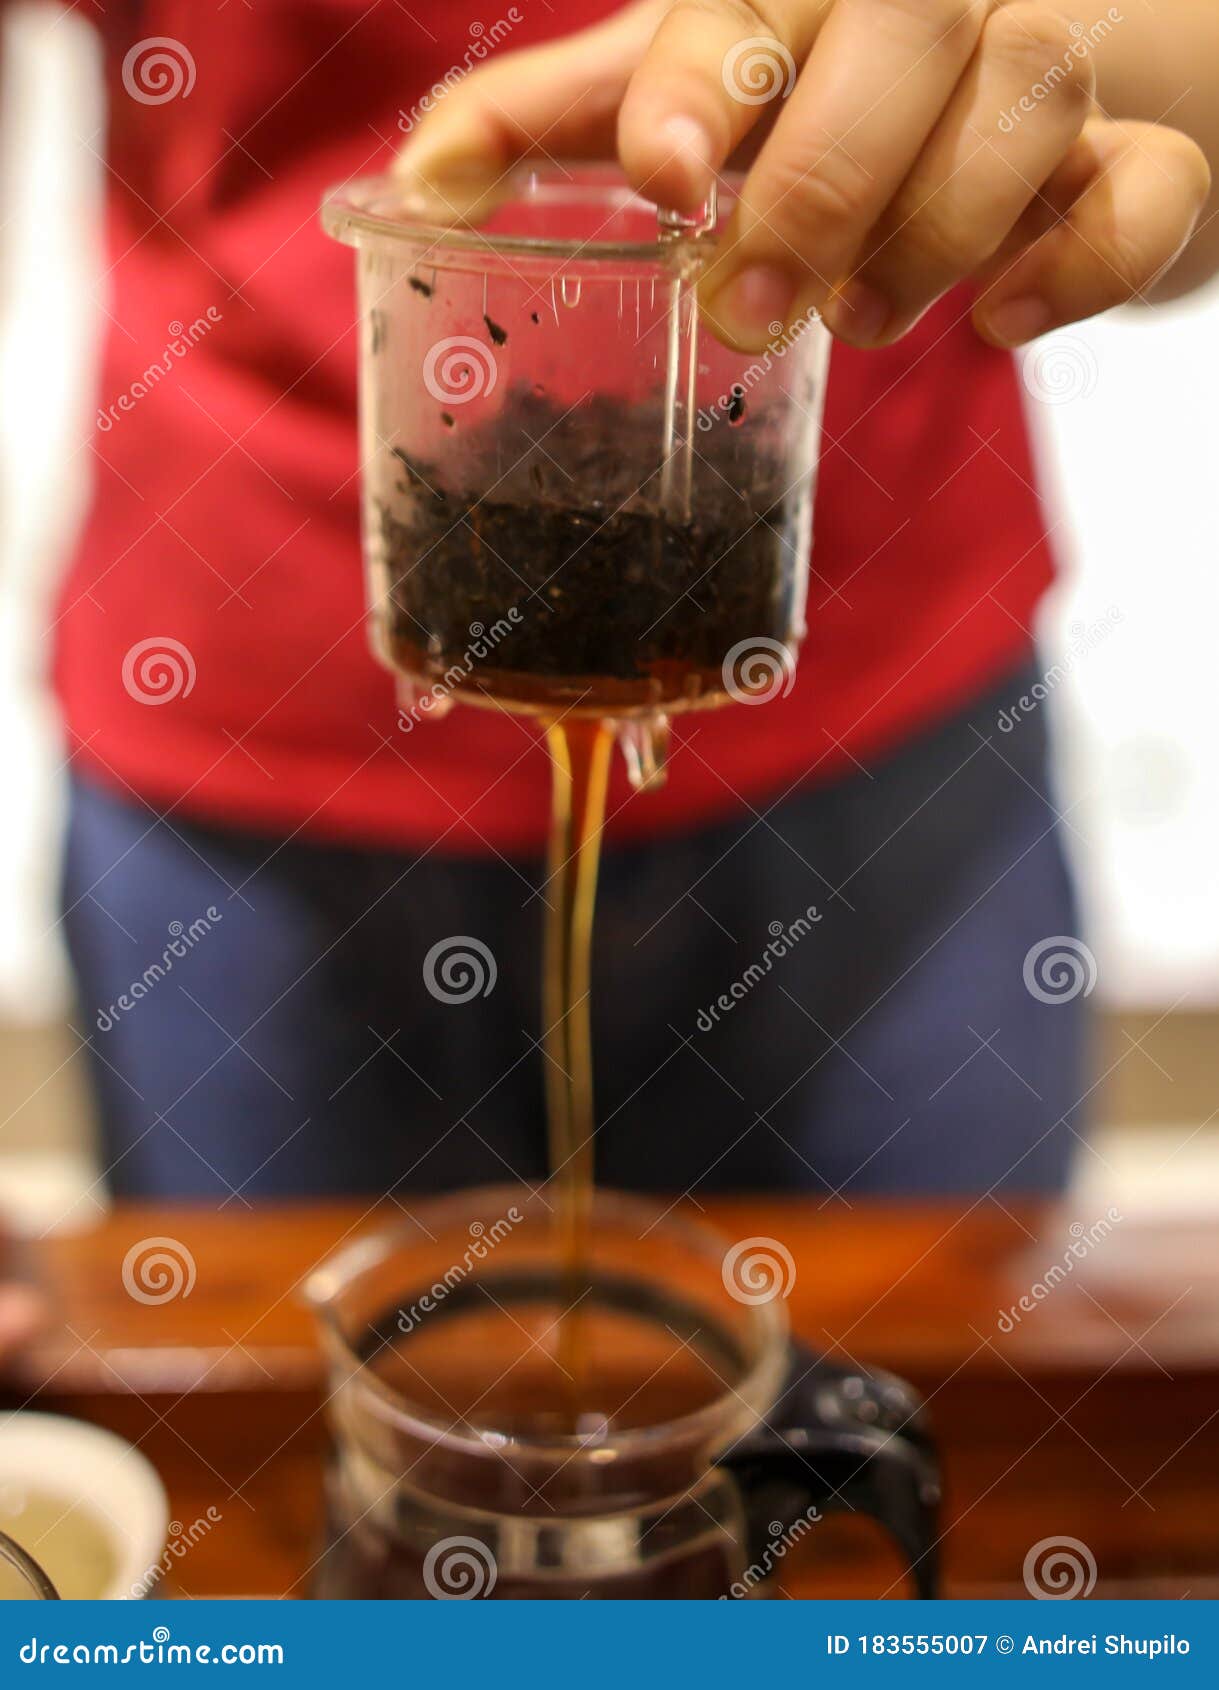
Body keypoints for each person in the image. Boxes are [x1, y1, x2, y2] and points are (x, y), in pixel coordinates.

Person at [41, 2, 1215, 1203]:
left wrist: (1048, 70)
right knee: (286, 1377)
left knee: (914, 1367)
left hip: (893, 753)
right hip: (233, 746)